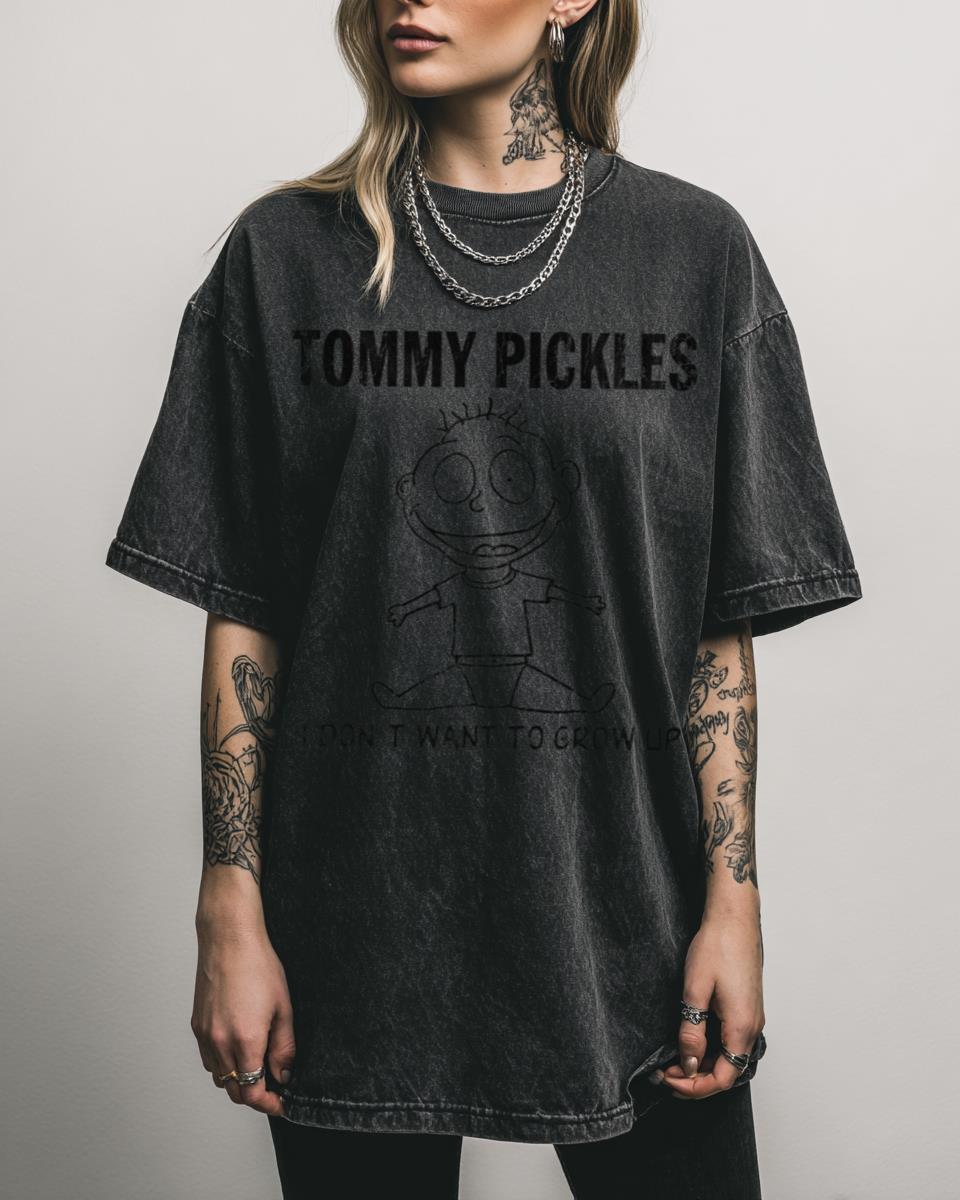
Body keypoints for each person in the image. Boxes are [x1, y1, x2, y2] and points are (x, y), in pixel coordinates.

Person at [104, 0, 863, 1196]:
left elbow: (713, 630)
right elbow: (245, 607)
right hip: (352, 926)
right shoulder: (285, 255)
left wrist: (735, 901)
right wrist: (229, 904)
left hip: (631, 918)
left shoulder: (693, 253)